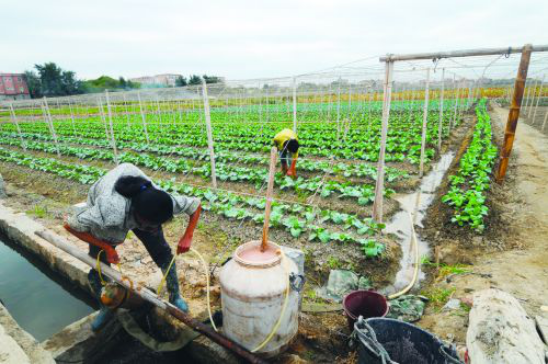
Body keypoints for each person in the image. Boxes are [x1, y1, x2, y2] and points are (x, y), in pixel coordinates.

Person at [64, 163, 201, 332]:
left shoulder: (161, 201)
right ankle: (106, 305)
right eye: (150, 226)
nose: (153, 229)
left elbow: (195, 205)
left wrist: (188, 236)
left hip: (136, 200)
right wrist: (106, 247)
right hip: (108, 206)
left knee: (163, 253)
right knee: (99, 265)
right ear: (137, 217)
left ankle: (175, 296)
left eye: (156, 225)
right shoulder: (108, 212)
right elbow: (70, 225)